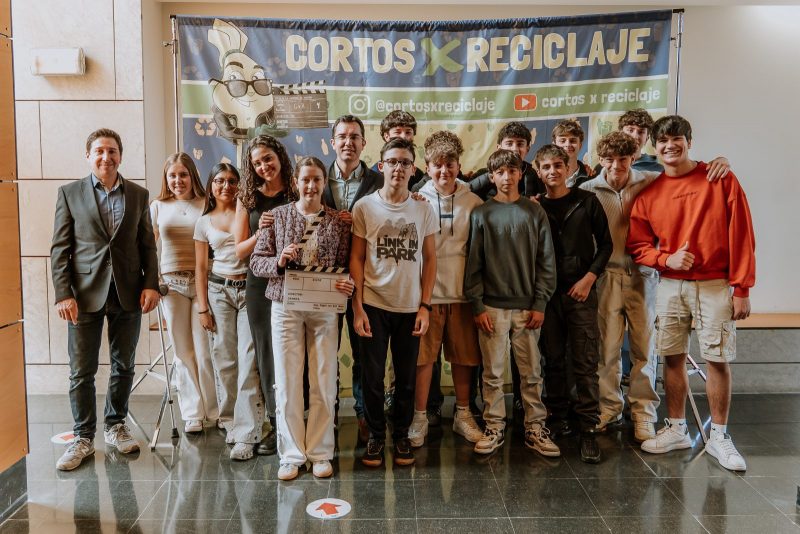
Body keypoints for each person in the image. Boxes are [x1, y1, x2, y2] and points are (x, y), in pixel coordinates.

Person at [627, 115, 755, 472]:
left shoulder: (719, 178)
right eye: (663, 140)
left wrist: (742, 287)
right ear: (654, 146)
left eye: (676, 139)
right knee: (672, 356)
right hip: (669, 285)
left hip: (715, 284)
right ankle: (677, 428)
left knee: (717, 358)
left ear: (689, 141)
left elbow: (741, 233)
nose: (670, 146)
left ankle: (720, 436)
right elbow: (637, 245)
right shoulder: (649, 193)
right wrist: (666, 258)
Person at [51, 128, 159, 471]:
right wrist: (63, 293)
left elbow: (147, 246)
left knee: (123, 365)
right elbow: (60, 249)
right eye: (99, 151)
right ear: (88, 155)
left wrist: (152, 284)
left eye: (112, 151)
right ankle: (83, 436)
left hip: (128, 291)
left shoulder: (139, 195)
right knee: (81, 371)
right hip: (82, 296)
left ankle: (115, 425)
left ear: (120, 156)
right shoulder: (69, 194)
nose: (105, 157)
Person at [250, 156, 354, 480]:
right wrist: (278, 261)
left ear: (324, 183)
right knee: (287, 381)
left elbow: (344, 263)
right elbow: (256, 262)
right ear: (295, 182)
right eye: (305, 179)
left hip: (324, 309)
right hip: (285, 306)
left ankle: (322, 452)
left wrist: (346, 282)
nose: (311, 186)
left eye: (317, 180)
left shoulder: (338, 222)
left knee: (324, 379)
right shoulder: (276, 218)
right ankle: (292, 455)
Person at [464, 149, 558, 457]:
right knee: (492, 373)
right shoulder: (481, 213)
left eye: (512, 171)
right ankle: (494, 426)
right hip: (491, 307)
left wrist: (541, 303)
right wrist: (477, 305)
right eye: (500, 172)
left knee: (531, 373)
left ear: (521, 174)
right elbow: (473, 264)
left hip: (528, 307)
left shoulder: (534, 213)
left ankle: (534, 427)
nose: (507, 177)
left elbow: (546, 261)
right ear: (492, 177)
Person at [350, 138, 437, 467]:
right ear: (381, 166)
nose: (398, 167)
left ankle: (400, 435)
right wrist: (357, 307)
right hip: (373, 304)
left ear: (413, 169)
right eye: (392, 161)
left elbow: (430, 259)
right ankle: (375, 435)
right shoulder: (365, 207)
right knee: (372, 377)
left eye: (405, 162)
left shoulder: (422, 207)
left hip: (410, 307)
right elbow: (356, 259)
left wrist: (425, 306)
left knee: (406, 377)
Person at [537, 144, 612, 464]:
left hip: (580, 292)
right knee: (553, 359)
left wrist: (589, 278)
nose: (553, 171)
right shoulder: (535, 206)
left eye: (558, 165)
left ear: (569, 169)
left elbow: (606, 245)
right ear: (538, 172)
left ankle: (588, 430)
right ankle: (557, 421)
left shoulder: (588, 201)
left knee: (584, 361)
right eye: (546, 167)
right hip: (548, 295)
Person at [409, 131, 484, 447]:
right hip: (426, 296)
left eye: (450, 164)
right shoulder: (416, 200)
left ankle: (463, 414)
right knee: (424, 359)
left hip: (463, 294)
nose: (444, 171)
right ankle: (419, 416)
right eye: (438, 165)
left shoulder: (474, 201)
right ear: (428, 167)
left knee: (464, 357)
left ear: (459, 165)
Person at [194, 163, 264, 461]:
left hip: (247, 289)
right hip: (218, 291)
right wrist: (202, 307)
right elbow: (199, 267)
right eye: (220, 181)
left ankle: (249, 429)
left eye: (232, 181)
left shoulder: (245, 212)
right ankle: (230, 420)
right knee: (225, 359)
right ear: (211, 185)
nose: (226, 186)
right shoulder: (203, 221)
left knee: (249, 359)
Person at [232, 135, 295, 456]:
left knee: (297, 354)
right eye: (257, 162)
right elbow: (238, 249)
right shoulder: (249, 200)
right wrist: (260, 232)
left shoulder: (297, 190)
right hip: (259, 286)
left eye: (268, 158)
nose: (264, 166)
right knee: (267, 357)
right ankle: (275, 422)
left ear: (279, 156)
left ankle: (299, 420)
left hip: (296, 283)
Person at [323, 114, 383, 442]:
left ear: (363, 143)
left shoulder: (378, 182)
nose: (348, 142)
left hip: (366, 280)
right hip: (324, 280)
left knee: (365, 353)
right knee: (324, 351)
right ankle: (327, 413)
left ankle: (363, 415)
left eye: (355, 137)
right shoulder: (316, 178)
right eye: (342, 136)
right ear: (333, 142)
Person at [150, 153, 218, 434]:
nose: (178, 181)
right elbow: (149, 248)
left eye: (183, 175)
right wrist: (153, 282)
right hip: (172, 285)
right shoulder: (157, 206)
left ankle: (213, 411)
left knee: (205, 351)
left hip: (203, 284)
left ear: (193, 176)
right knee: (182, 351)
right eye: (172, 176)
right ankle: (192, 413)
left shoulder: (206, 204)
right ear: (166, 179)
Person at [467, 121, 545, 200]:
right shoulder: (483, 175)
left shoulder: (533, 175)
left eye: (520, 144)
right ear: (499, 148)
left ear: (527, 149)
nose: (515, 149)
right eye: (509, 143)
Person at [371, 110, 425, 189]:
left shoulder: (418, 176)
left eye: (408, 132)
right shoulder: (373, 175)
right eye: (397, 132)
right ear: (386, 136)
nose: (403, 137)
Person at [551, 119, 595, 188]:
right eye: (562, 141)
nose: (568, 144)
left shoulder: (591, 178)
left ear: (580, 145)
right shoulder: (544, 177)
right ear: (554, 145)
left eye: (573, 141)